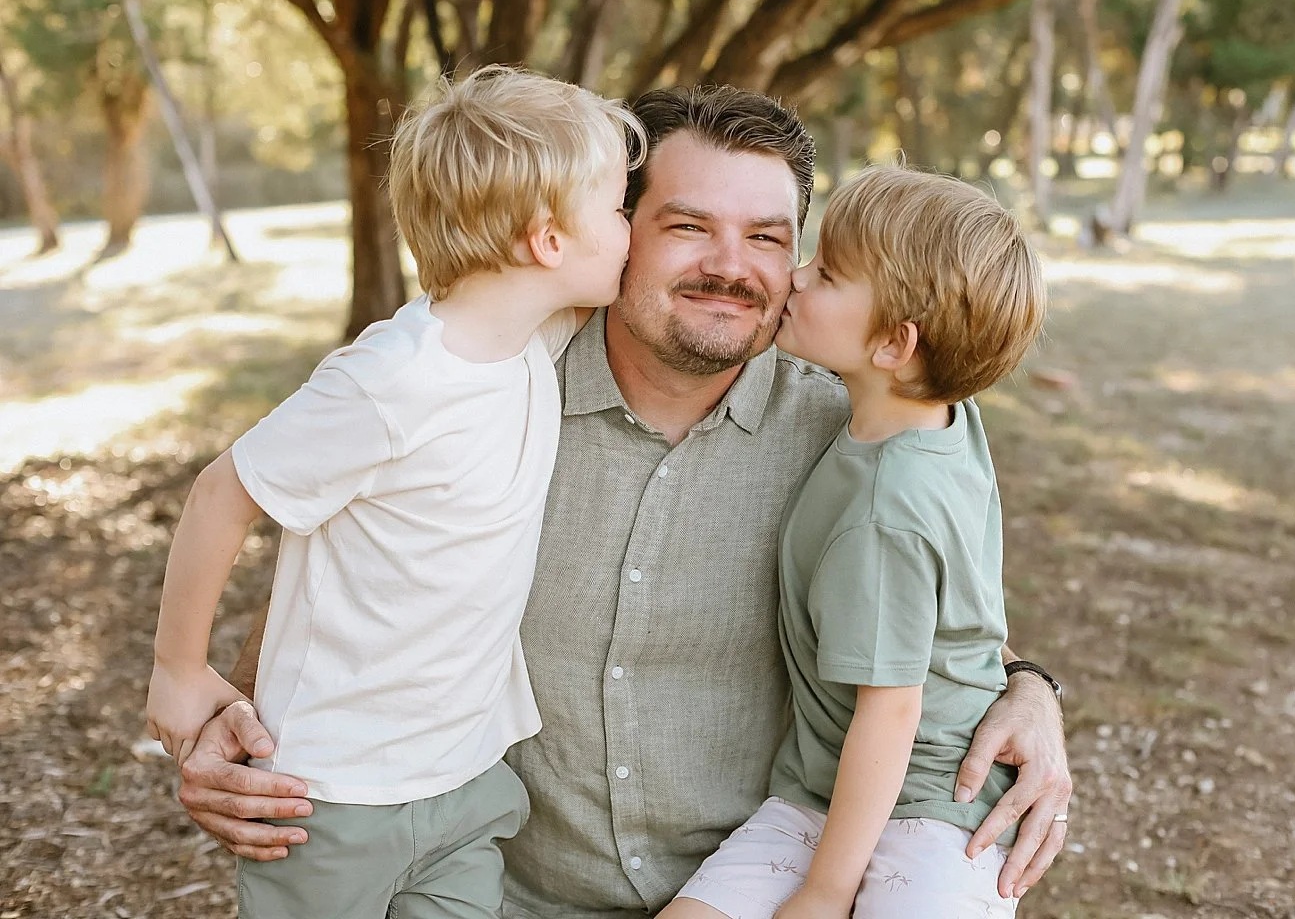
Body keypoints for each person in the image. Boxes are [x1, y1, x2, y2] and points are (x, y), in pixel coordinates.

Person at [170, 85, 1075, 917]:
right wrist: (226, 724)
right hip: (504, 891)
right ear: (613, 227)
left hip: (750, 882)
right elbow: (341, 556)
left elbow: (930, 613)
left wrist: (1032, 691)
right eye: (688, 226)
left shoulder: (851, 426)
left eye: (767, 238)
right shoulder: (493, 386)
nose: (731, 266)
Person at [144, 65, 643, 918]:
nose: (630, 228)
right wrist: (178, 671)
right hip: (331, 793)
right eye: (619, 208)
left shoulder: (532, 341)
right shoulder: (391, 378)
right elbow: (221, 495)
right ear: (548, 240)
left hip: (467, 779)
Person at [662, 165, 1046, 919]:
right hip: (822, 788)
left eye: (828, 274)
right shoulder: (942, 413)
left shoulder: (885, 510)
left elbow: (890, 714)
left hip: (927, 810)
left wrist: (825, 892)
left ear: (895, 345)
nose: (796, 278)